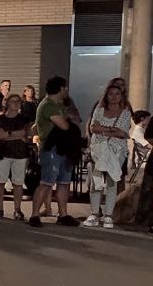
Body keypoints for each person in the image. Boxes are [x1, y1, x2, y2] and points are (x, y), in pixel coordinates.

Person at [28, 76, 80, 228]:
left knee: (64, 183)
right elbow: (64, 125)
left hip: (64, 148)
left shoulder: (59, 105)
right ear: (61, 89)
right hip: (51, 149)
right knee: (46, 182)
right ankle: (35, 214)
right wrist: (69, 119)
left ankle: (63, 214)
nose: (67, 91)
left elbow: (72, 120)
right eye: (65, 88)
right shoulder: (48, 105)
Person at [85, 79, 132, 228]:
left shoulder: (125, 113)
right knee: (96, 181)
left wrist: (104, 129)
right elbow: (93, 128)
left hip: (116, 151)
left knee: (112, 182)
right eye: (111, 94)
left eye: (117, 94)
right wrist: (112, 130)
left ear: (121, 96)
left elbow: (123, 132)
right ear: (106, 95)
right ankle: (94, 213)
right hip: (99, 149)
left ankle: (108, 215)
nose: (114, 96)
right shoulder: (99, 110)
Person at [0, 94, 33, 219]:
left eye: (18, 101)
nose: (16, 103)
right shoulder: (1, 119)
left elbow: (27, 136)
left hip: (20, 154)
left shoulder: (25, 119)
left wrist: (8, 134)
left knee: (18, 183)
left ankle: (17, 209)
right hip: (3, 153)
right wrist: (16, 134)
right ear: (7, 103)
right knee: (0, 181)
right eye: (13, 101)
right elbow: (0, 135)